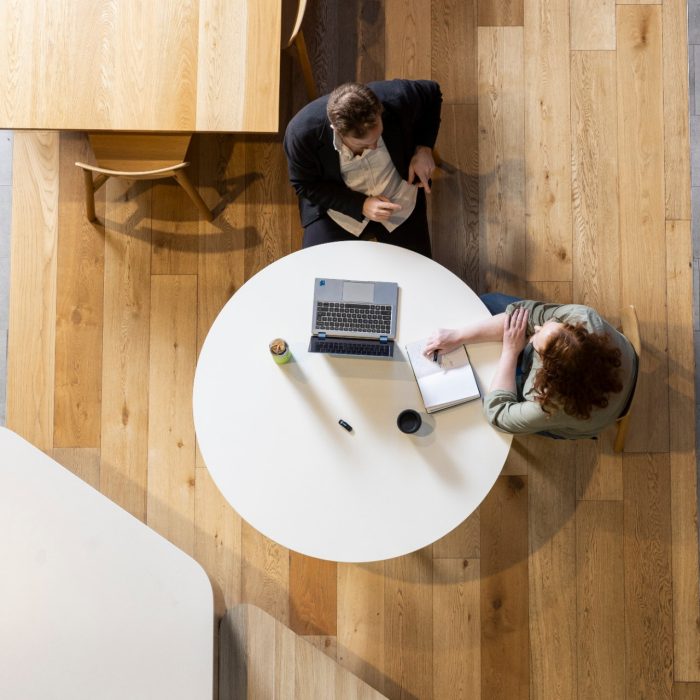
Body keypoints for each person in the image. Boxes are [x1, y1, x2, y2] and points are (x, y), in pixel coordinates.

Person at [422, 294, 638, 439]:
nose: (537, 328)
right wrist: (459, 336)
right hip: (623, 366)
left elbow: (497, 413)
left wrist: (510, 351)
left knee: (482, 383)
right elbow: (523, 315)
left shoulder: (548, 406)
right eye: (548, 326)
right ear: (574, 330)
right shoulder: (583, 317)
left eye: (537, 343)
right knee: (492, 303)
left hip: (586, 419)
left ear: (547, 371)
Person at [283, 80, 442, 257]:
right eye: (364, 145)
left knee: (417, 273)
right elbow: (304, 185)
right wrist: (360, 204)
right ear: (337, 130)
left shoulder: (397, 96)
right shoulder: (301, 133)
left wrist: (424, 148)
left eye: (378, 136)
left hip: (400, 200)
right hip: (338, 208)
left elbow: (432, 93)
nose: (374, 147)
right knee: (321, 274)